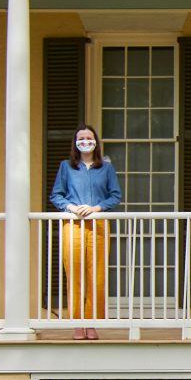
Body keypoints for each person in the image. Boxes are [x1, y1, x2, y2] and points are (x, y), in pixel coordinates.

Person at [49, 124, 122, 340]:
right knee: (74, 273)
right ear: (75, 143)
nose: (85, 141)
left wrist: (96, 208)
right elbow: (56, 195)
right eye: (81, 138)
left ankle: (92, 323)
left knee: (96, 275)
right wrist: (72, 207)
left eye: (89, 138)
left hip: (97, 224)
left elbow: (115, 195)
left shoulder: (106, 168)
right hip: (73, 225)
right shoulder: (66, 166)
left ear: (96, 142)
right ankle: (77, 324)